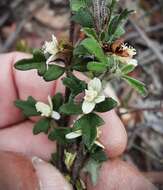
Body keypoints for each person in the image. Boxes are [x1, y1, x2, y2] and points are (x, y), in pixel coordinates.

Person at [0, 52, 157, 190]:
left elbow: (96, 98)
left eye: (90, 95)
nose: (88, 95)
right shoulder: (82, 103)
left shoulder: (95, 99)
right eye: (88, 94)